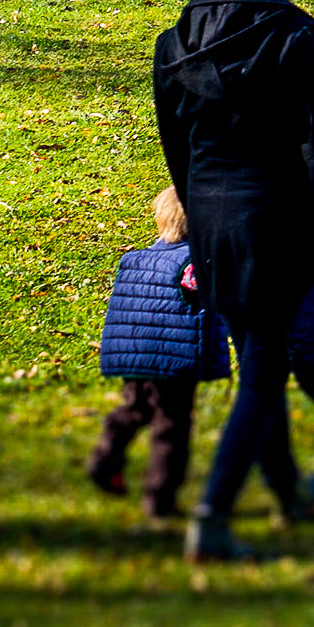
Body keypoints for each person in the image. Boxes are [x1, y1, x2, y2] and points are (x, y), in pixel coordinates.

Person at [154, 0, 314, 564]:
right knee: (266, 376)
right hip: (277, 228)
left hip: (214, 229)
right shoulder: (295, 34)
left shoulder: (174, 43)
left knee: (257, 358)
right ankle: (212, 517)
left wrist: (196, 230)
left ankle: (289, 488)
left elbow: (178, 153)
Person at [86, 183, 230, 524]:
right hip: (173, 357)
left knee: (135, 408)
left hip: (134, 352)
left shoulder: (136, 258)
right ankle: (159, 498)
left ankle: (104, 459)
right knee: (171, 424)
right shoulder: (196, 262)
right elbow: (209, 301)